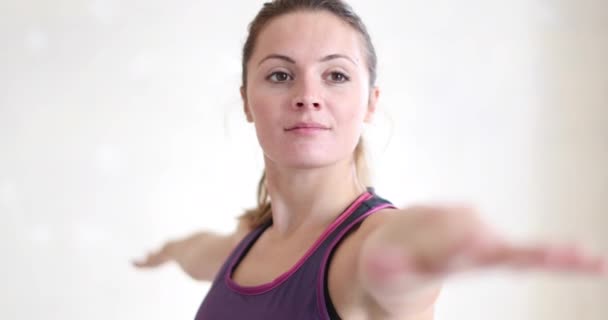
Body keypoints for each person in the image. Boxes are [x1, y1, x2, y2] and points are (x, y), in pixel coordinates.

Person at [133, 0, 607, 319]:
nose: (308, 96)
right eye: (280, 75)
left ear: (371, 102)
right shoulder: (237, 250)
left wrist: (444, 240)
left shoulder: (366, 249)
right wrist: (166, 252)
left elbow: (400, 249)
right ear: (245, 99)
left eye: (335, 75)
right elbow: (194, 251)